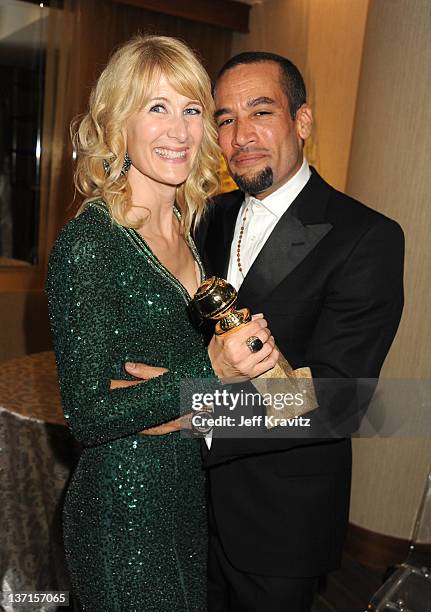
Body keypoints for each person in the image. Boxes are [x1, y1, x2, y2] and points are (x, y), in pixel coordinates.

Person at [129, 51, 405, 611]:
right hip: (180, 503)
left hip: (279, 521)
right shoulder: (203, 216)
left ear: (302, 121)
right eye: (225, 118)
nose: (241, 135)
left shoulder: (365, 236)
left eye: (262, 112)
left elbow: (338, 398)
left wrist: (195, 412)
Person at [46, 37, 278, 612]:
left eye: (192, 109)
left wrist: (198, 393)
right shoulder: (91, 241)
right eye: (156, 107)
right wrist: (210, 370)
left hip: (181, 491)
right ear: (116, 122)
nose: (178, 130)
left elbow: (184, 394)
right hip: (122, 509)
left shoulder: (186, 226)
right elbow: (90, 414)